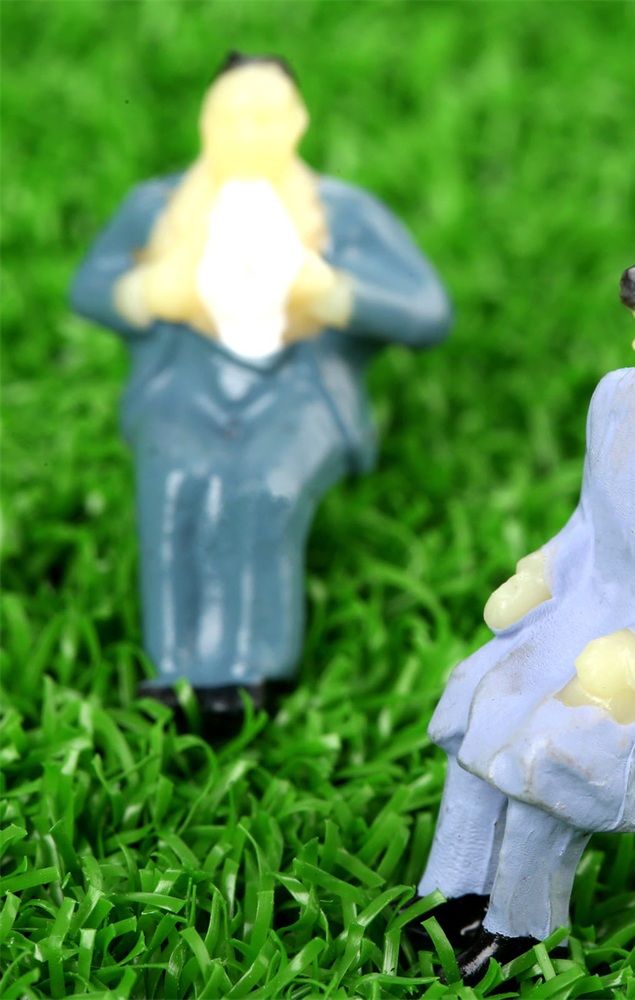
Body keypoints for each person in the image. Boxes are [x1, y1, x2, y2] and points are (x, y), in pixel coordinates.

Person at [416, 209, 635, 983]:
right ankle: (453, 892)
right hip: (586, 599)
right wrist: (539, 574)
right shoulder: (615, 400)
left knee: (556, 745)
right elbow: (589, 523)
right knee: (482, 695)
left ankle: (523, 930)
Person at [71, 54, 451, 723]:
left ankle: (249, 669)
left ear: (298, 122)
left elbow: (428, 311)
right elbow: (90, 285)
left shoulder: (342, 214)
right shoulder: (160, 208)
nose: (247, 133)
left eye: (266, 117)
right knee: (176, 485)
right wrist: (150, 290)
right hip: (187, 384)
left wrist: (331, 292)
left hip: (298, 389)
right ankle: (176, 665)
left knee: (261, 488)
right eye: (230, 118)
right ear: (205, 123)